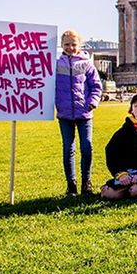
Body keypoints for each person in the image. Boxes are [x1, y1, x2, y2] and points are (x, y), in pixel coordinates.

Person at [55, 29, 103, 197]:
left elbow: (96, 86)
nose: (70, 47)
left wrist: (92, 103)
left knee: (87, 148)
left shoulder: (86, 64)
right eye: (67, 44)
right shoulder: (56, 65)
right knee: (68, 149)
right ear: (61, 45)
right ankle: (71, 185)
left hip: (84, 113)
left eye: (74, 44)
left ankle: (86, 183)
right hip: (64, 113)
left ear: (79, 45)